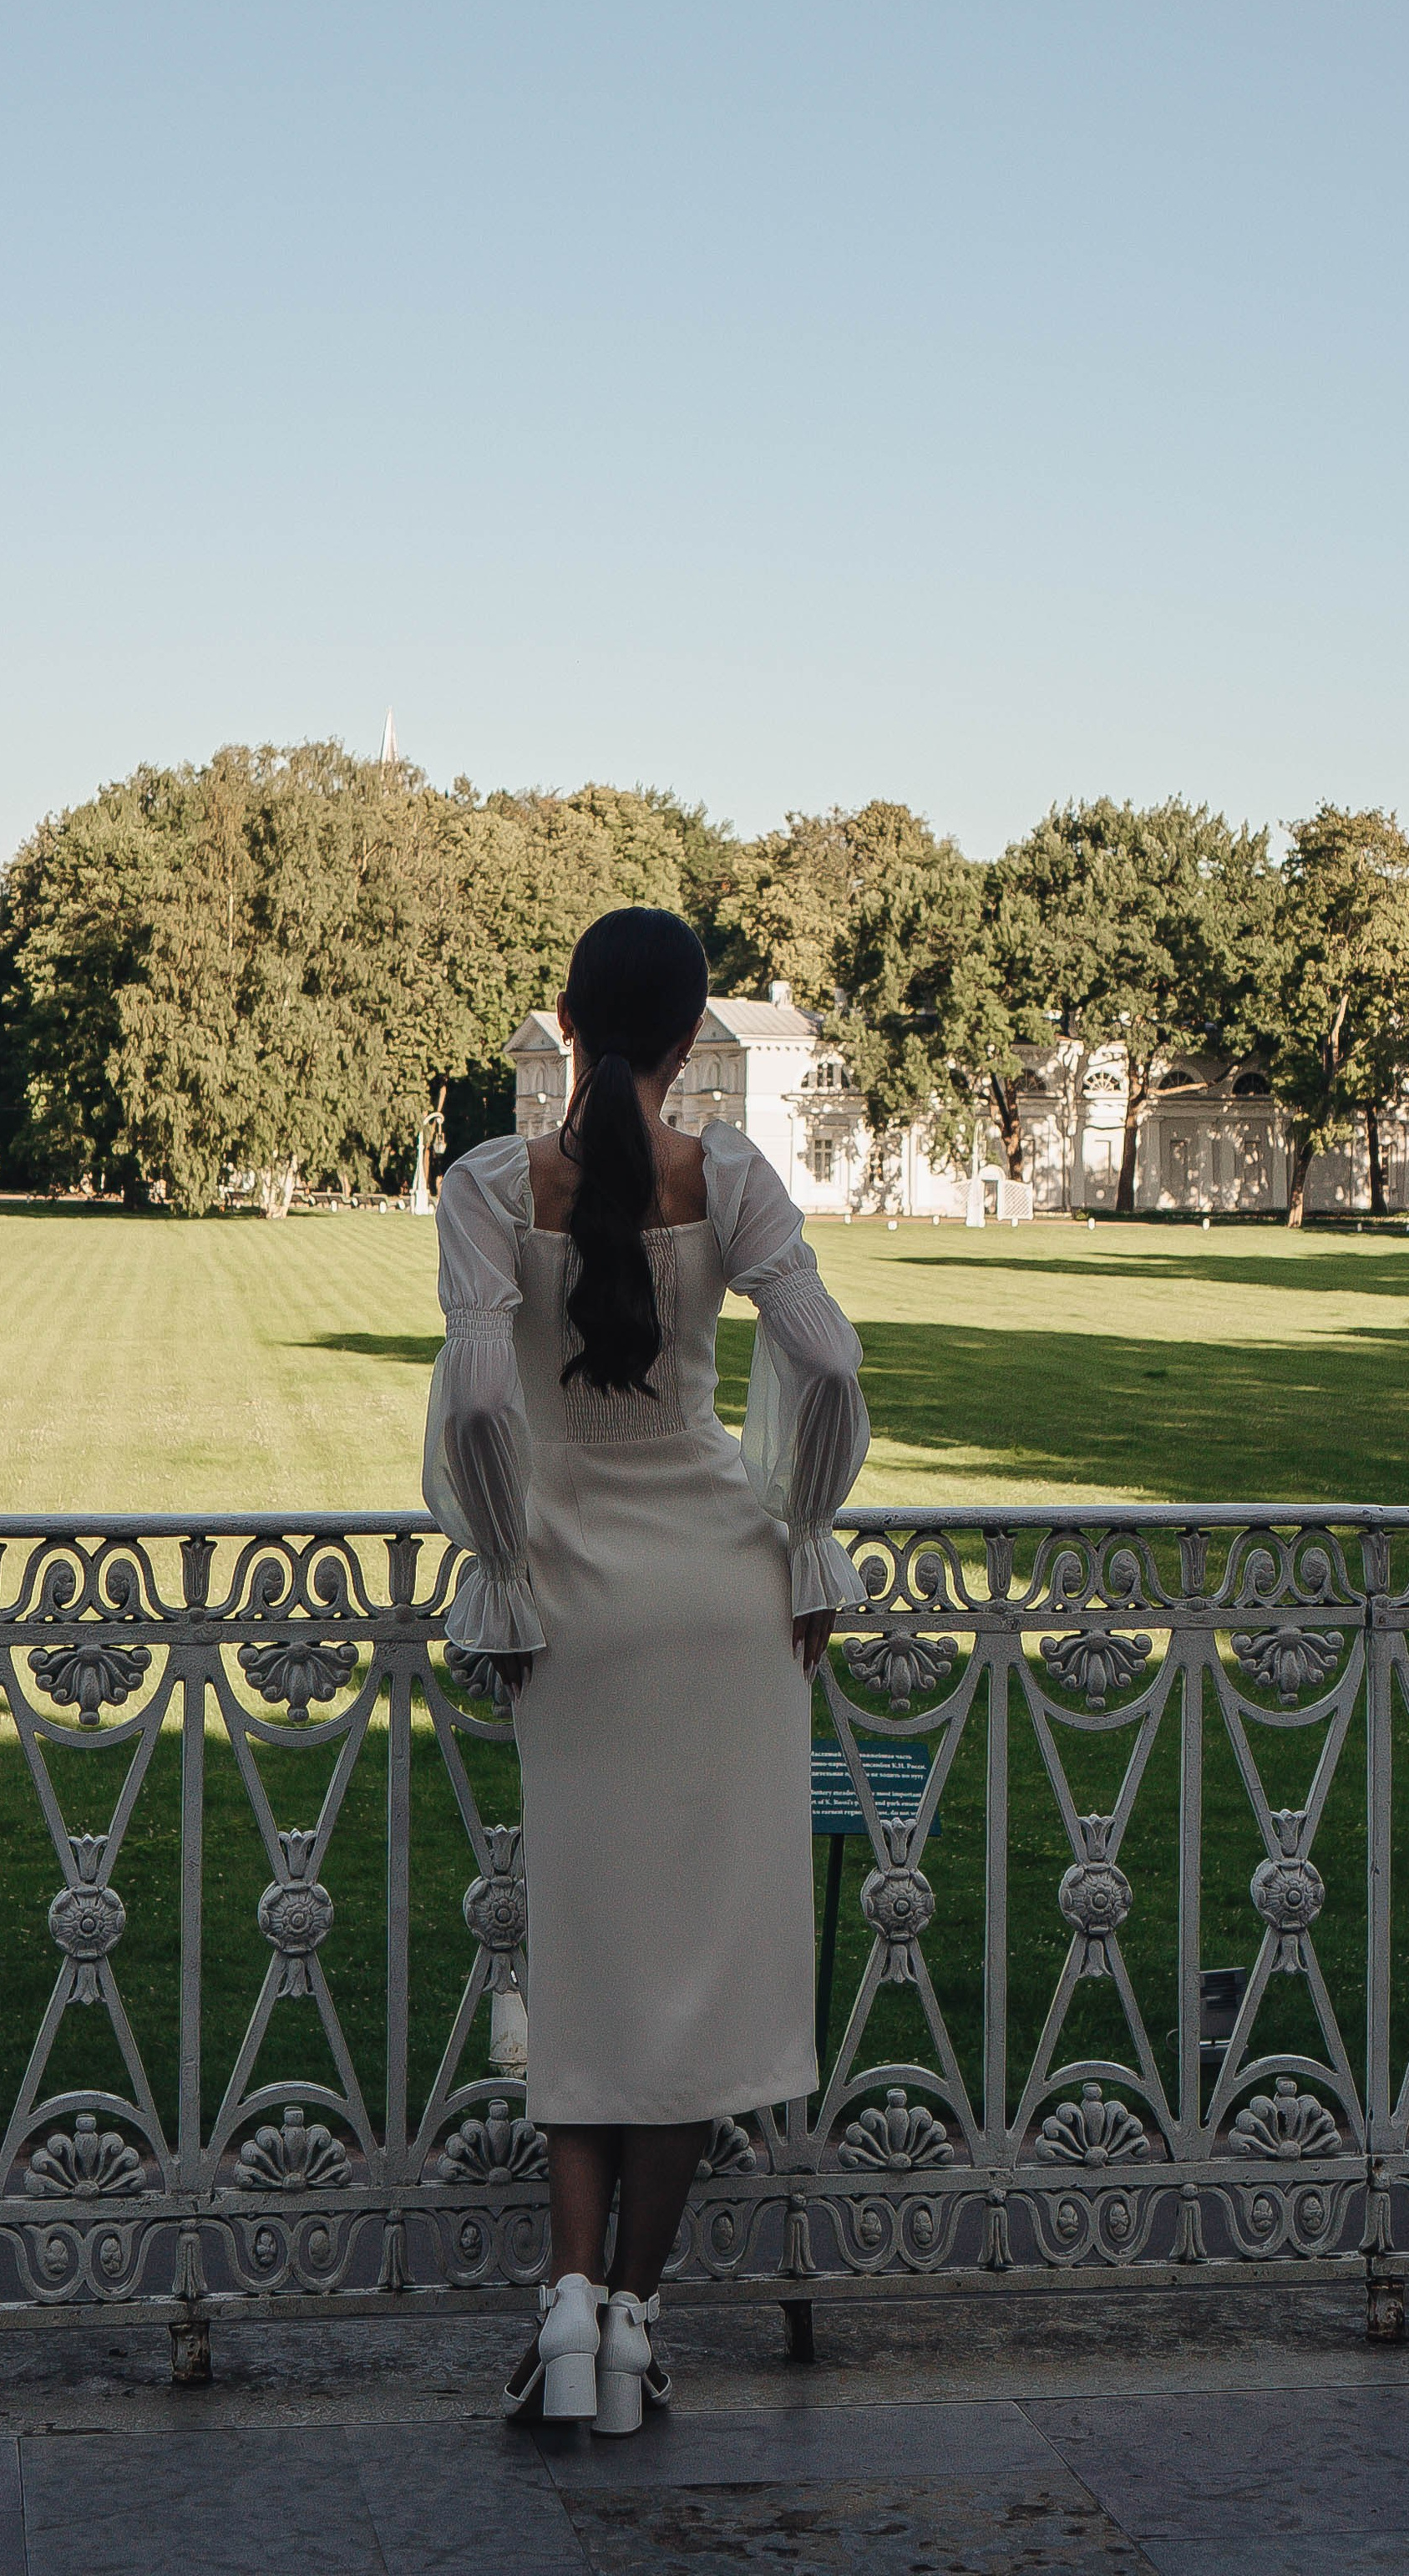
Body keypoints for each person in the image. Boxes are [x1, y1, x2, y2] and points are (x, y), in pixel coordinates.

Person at [422, 907, 871, 2434]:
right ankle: (635, 2318)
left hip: (578, 1609)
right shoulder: (729, 1175)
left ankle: (561, 2305)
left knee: (593, 1964)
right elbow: (833, 1364)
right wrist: (803, 1536)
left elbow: (484, 1404)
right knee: (703, 1981)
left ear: (564, 1013)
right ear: (692, 1040)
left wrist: (504, 1564)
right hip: (725, 1607)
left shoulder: (493, 1186)